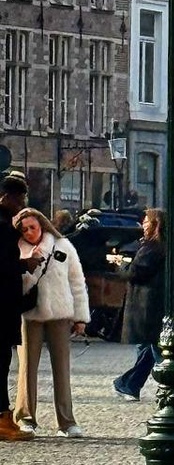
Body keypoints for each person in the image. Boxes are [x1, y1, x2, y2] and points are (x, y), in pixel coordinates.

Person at [14, 208, 89, 438]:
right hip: (30, 314)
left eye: (33, 227)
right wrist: (28, 265)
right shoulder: (14, 249)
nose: (29, 232)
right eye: (24, 229)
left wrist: (80, 317)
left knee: (62, 368)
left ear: (42, 225)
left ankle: (66, 422)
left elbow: (76, 281)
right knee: (27, 368)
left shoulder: (62, 246)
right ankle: (26, 417)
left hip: (60, 312)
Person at [113, 208, 166, 402]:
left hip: (147, 305)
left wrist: (120, 264)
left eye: (146, 222)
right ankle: (129, 385)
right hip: (154, 304)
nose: (143, 225)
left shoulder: (152, 247)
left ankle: (130, 385)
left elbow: (136, 272)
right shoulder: (162, 246)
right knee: (149, 350)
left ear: (155, 225)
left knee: (154, 350)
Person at [0, 174, 36, 442]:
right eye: (19, 199)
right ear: (6, 198)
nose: (21, 205)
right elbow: (3, 267)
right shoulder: (3, 228)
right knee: (1, 362)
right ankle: (2, 419)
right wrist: (24, 265)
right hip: (2, 305)